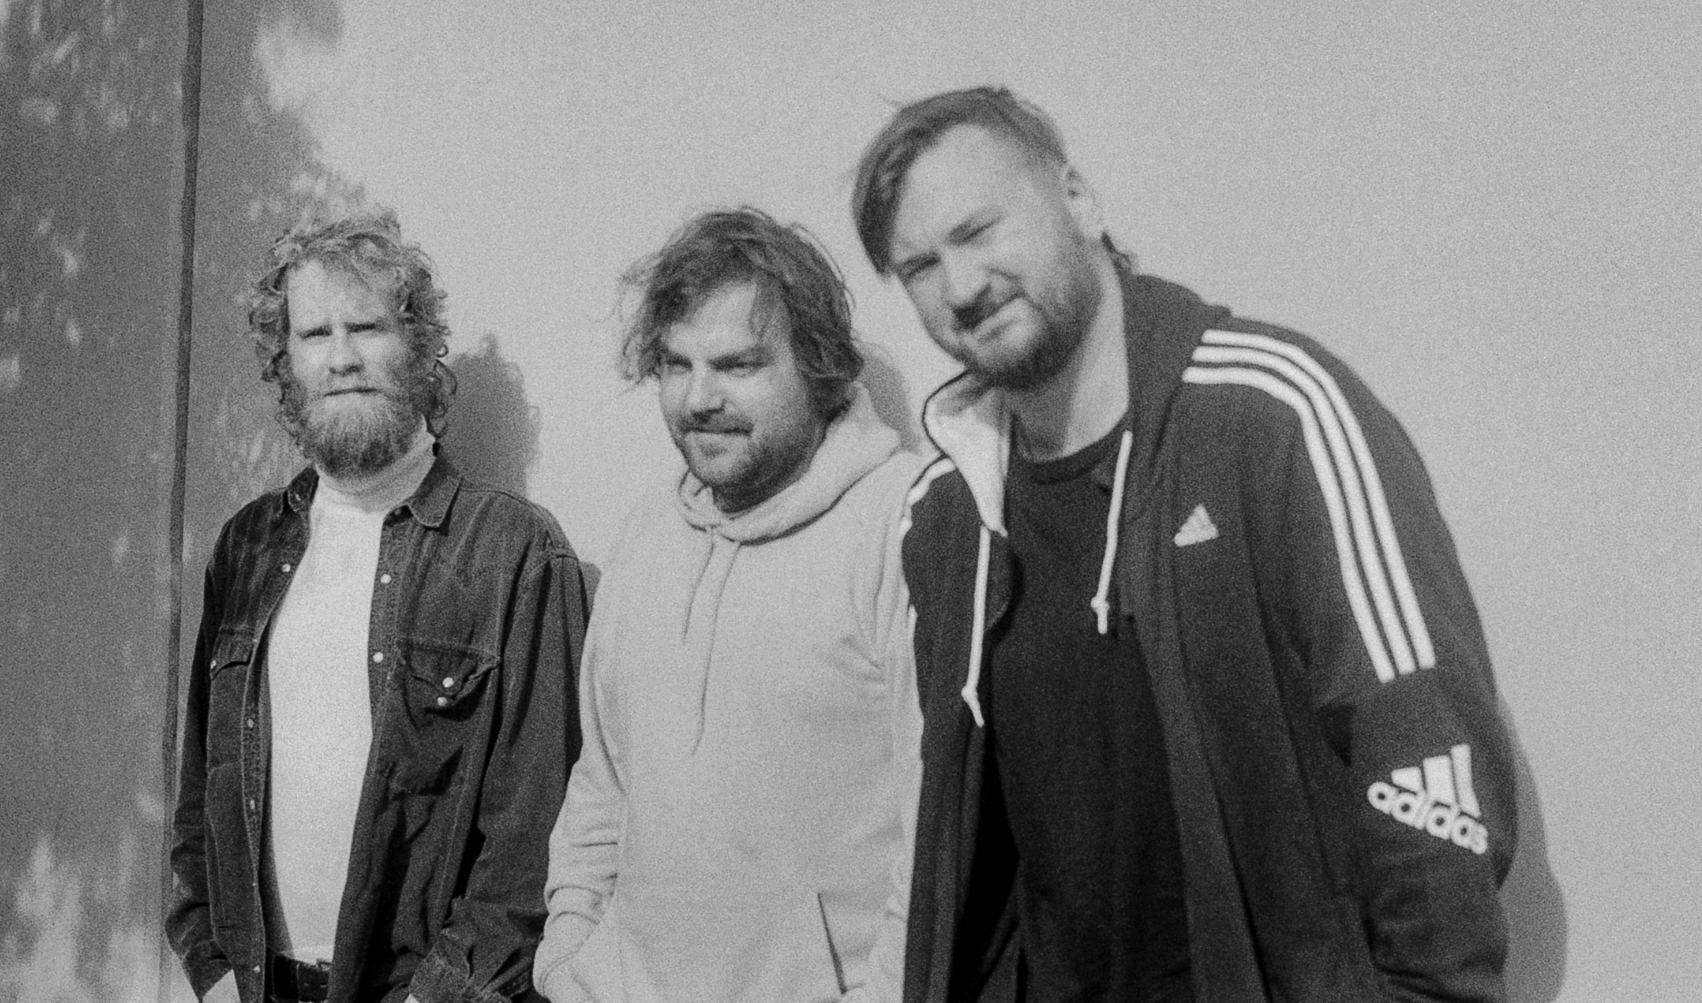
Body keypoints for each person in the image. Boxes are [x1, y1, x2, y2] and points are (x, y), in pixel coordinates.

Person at [851, 88, 1515, 1003]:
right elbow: (965, 842)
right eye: (919, 266)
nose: (961, 287)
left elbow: (1423, 730)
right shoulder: (944, 516)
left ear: (1078, 199)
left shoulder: (1273, 415)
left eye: (979, 230)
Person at [168, 212, 588, 1003]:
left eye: (367, 327)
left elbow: (534, 838)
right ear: (285, 362)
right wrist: (210, 960)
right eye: (315, 333)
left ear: (423, 349)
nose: (344, 357)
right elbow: (202, 786)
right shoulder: (247, 547)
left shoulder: (515, 554)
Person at [532, 208, 920, 1003]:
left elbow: (941, 832)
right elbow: (602, 781)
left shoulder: (903, 527)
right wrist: (567, 955)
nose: (698, 398)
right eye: (676, 366)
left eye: (737, 365)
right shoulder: (648, 531)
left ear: (820, 368)